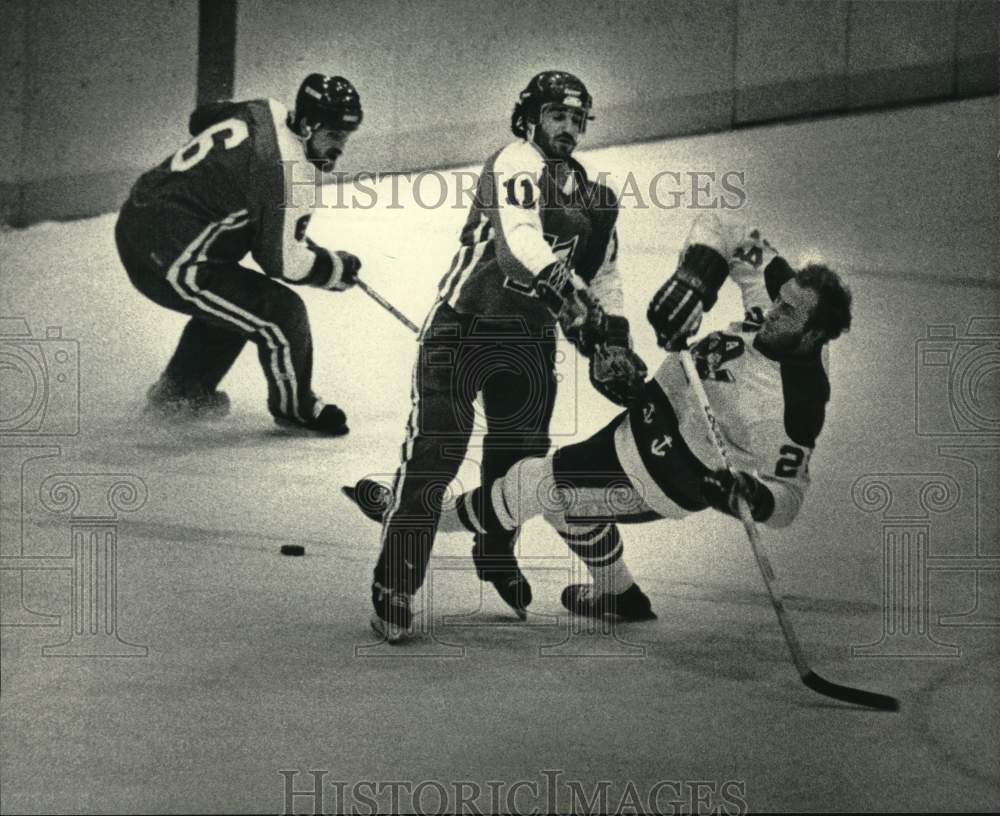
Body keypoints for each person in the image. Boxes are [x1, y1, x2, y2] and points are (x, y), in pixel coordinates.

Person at [359, 212, 853, 622]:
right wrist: (694, 281)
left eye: (789, 314)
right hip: (639, 425)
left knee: (534, 483)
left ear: (814, 337)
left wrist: (752, 495)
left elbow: (789, 498)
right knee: (566, 505)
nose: (772, 312)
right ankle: (620, 595)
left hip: (666, 474)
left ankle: (421, 519)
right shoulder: (781, 299)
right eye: (780, 301)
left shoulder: (797, 404)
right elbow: (726, 228)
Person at [364, 70, 646, 641]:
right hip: (461, 330)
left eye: (575, 118)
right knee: (435, 456)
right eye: (555, 115)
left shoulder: (597, 200)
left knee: (519, 468)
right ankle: (393, 582)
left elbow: (607, 276)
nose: (566, 127)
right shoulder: (515, 163)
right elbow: (520, 245)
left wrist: (613, 338)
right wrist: (570, 296)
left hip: (529, 344)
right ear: (531, 118)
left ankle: (495, 553)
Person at [115, 73, 365, 434]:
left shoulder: (262, 109)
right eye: (334, 136)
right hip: (169, 260)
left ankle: (180, 396)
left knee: (238, 301)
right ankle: (296, 408)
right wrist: (332, 268)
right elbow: (284, 263)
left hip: (135, 220)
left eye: (345, 137)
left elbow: (201, 118)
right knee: (279, 312)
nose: (340, 148)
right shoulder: (288, 176)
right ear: (308, 126)